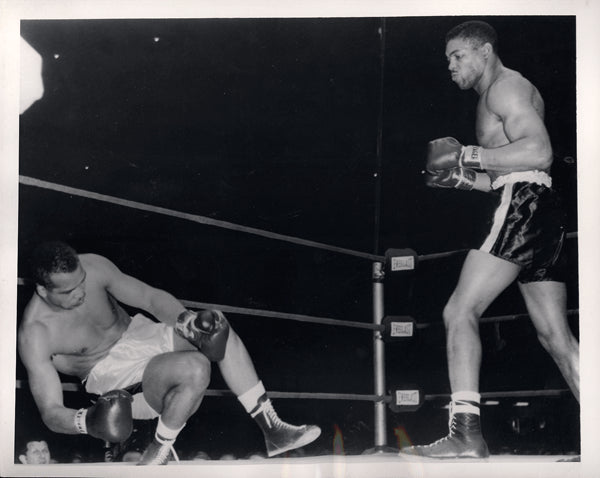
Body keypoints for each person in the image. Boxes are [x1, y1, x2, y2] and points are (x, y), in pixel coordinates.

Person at [400, 20, 579, 459]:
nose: (451, 66)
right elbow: (506, 173)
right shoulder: (498, 94)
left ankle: (465, 433)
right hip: (539, 206)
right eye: (447, 60)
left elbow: (539, 153)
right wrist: (462, 179)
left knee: (460, 310)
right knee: (556, 335)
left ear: (484, 51)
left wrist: (466, 153)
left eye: (457, 56)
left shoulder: (504, 88)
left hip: (525, 202)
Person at [18, 241, 321, 465]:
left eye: (81, 281)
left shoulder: (94, 266)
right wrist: (88, 421)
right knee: (195, 368)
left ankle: (273, 429)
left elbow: (149, 298)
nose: (81, 293)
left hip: (142, 333)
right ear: (44, 291)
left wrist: (183, 319)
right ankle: (158, 450)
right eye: (69, 292)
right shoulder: (36, 333)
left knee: (214, 325)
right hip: (113, 375)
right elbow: (50, 412)